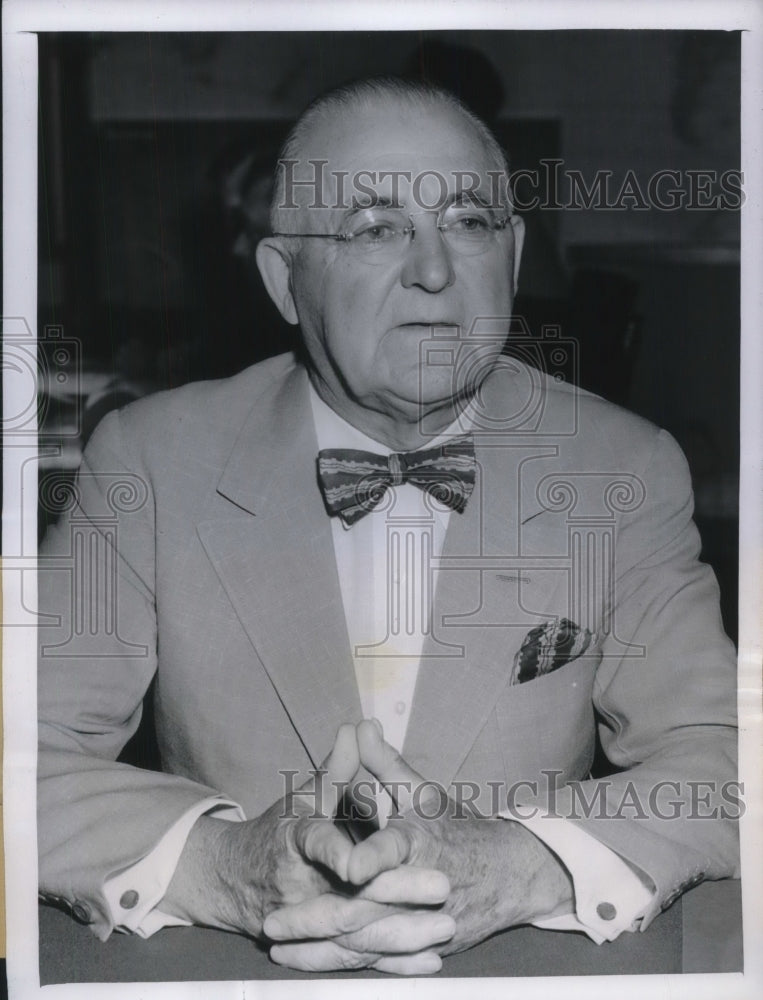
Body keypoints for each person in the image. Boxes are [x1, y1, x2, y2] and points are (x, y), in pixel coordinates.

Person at [37, 78, 739, 976]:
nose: (435, 269)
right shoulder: (151, 459)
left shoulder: (622, 469)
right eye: (374, 228)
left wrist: (526, 867)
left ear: (514, 257)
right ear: (285, 280)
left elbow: (719, 759)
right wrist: (222, 868)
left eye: (469, 222)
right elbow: (22, 752)